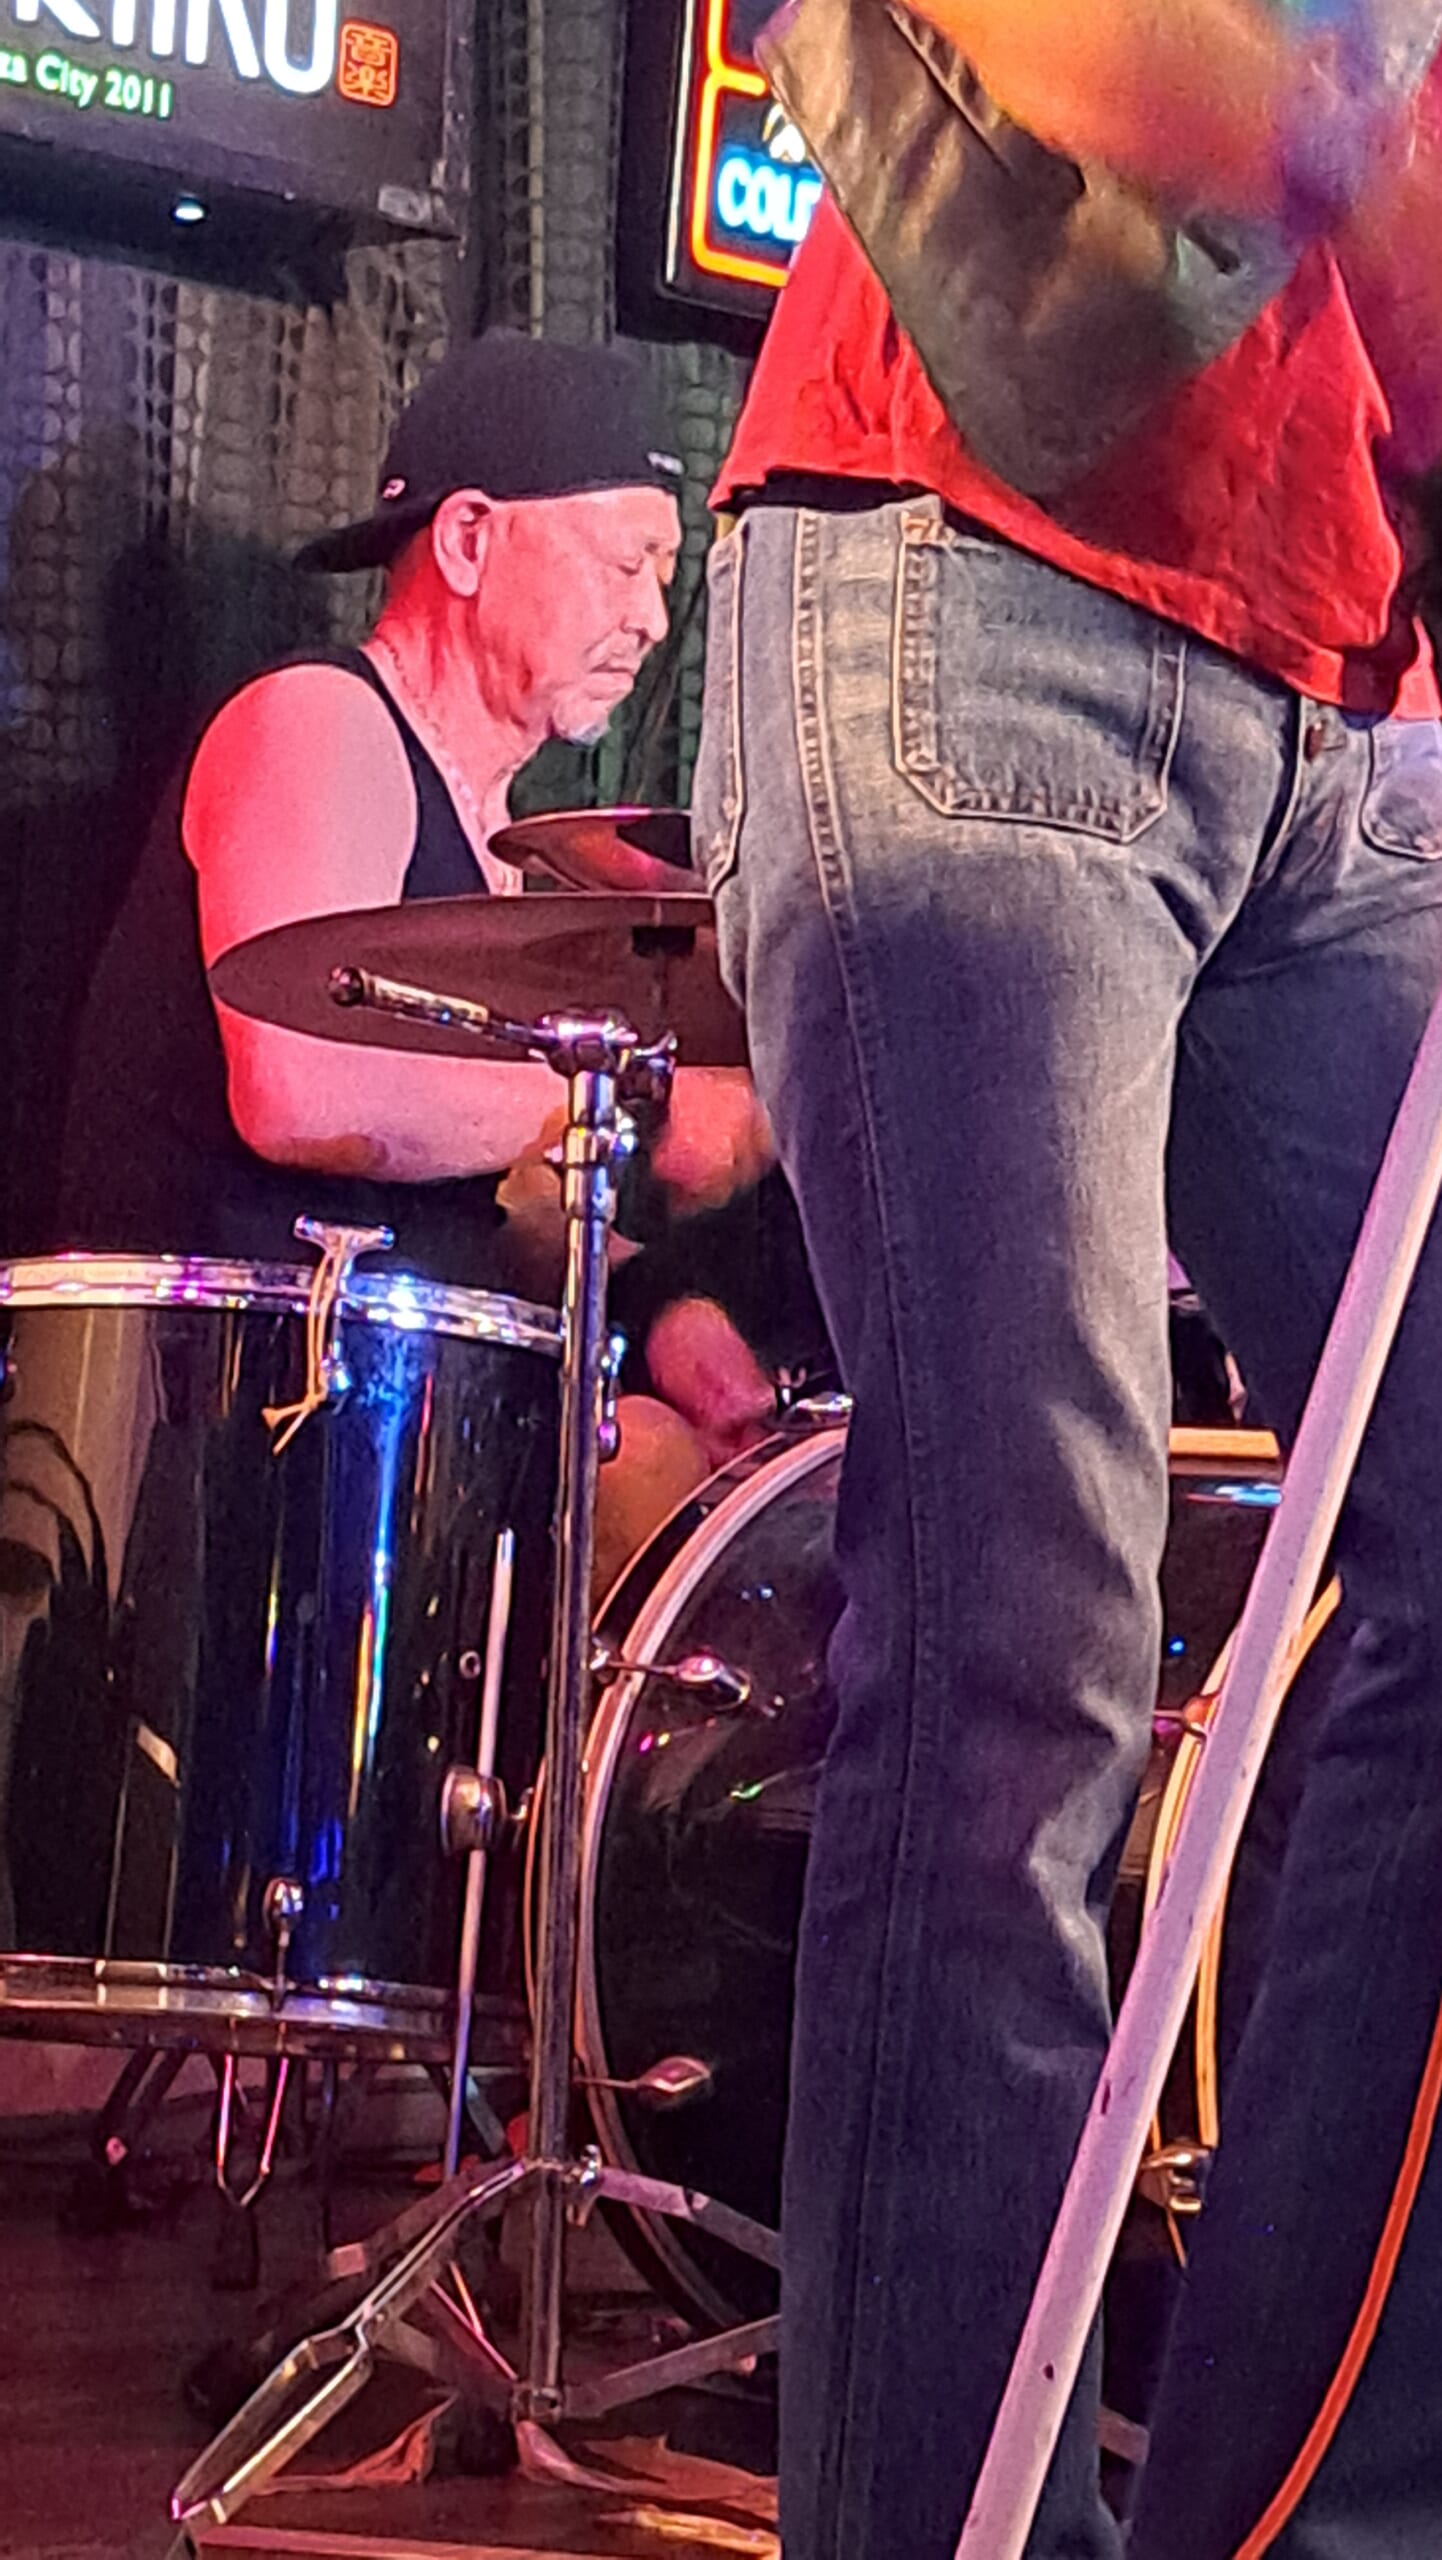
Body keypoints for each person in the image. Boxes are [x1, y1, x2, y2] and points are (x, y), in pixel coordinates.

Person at [694, 4, 1442, 2555]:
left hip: (1344, 717)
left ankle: (1305, 2511)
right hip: (972, 585)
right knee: (1025, 1654)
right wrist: (1346, 141)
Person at [55, 327, 772, 1291]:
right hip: (212, 1360)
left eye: (665, 573)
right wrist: (631, 1099)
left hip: (382, 1361)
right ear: (469, 539)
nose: (650, 618)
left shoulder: (508, 839)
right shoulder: (321, 720)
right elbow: (304, 1089)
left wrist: (661, 1281)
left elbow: (471, 1219)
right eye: (624, 562)